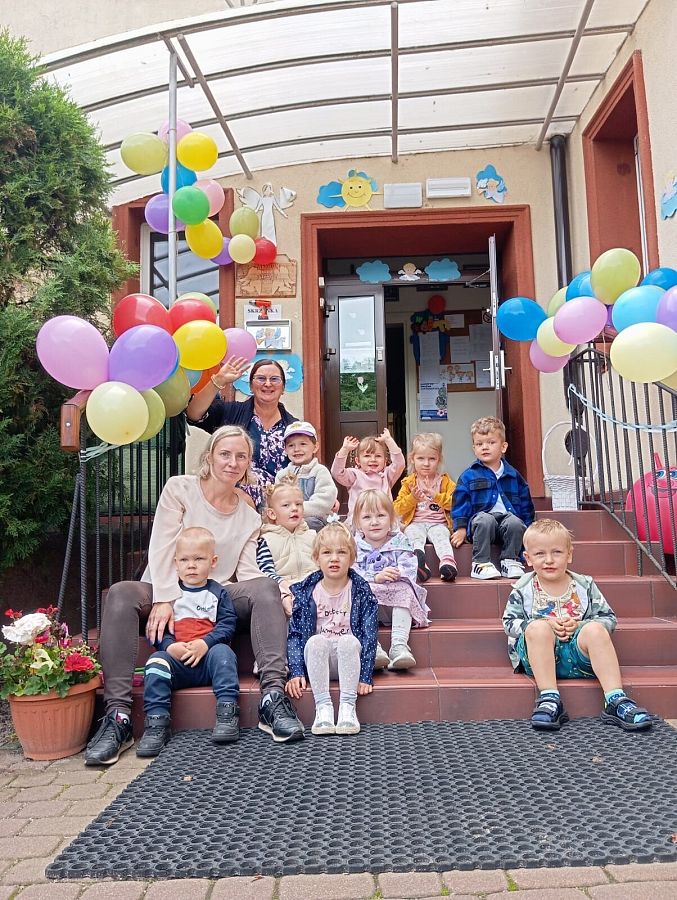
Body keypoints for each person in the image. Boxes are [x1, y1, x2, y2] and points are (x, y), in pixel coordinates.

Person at [84, 425, 304, 766]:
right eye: (225, 454)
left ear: (248, 463)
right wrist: (166, 598)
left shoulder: (248, 515)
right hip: (165, 587)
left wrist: (281, 588)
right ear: (209, 456)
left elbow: (248, 573)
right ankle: (119, 717)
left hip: (214, 597)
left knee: (264, 587)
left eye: (241, 456)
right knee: (121, 594)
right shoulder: (180, 489)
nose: (232, 462)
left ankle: (272, 697)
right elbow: (162, 546)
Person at [502, 518, 656, 732]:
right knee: (538, 628)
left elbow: (608, 618)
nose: (549, 560)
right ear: (528, 558)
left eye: (557, 552)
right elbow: (509, 623)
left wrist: (580, 624)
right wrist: (543, 623)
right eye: (540, 554)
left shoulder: (584, 585)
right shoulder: (523, 588)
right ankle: (549, 699)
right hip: (538, 658)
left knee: (595, 629)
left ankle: (615, 700)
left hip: (579, 657)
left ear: (569, 554)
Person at [136, 527, 239, 757]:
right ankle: (156, 724)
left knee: (224, 654)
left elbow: (227, 624)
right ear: (175, 563)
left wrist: (206, 643)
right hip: (177, 661)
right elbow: (156, 629)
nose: (191, 565)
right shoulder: (169, 596)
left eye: (199, 559)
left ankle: (227, 713)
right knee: (155, 662)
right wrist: (169, 646)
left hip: (207, 660)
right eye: (184, 560)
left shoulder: (217, 593)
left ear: (213, 562)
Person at [285, 523, 378, 736]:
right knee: (316, 641)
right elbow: (295, 634)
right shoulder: (307, 593)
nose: (334, 558)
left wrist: (365, 675)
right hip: (318, 662)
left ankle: (347, 707)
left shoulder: (361, 591)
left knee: (349, 641)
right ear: (316, 558)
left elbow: (369, 635)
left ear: (352, 558)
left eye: (341, 552)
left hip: (350, 661)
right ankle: (323, 708)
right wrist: (297, 670)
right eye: (327, 552)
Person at [186, 357, 297, 508]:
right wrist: (218, 381)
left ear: (283, 388)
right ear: (251, 386)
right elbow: (193, 414)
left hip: (279, 508)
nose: (268, 383)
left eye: (274, 379)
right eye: (261, 378)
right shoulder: (231, 412)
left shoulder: (293, 427)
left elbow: (304, 468)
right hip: (233, 505)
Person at [352, 490, 430, 671]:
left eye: (380, 515)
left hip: (397, 604)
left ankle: (399, 646)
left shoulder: (400, 541)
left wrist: (396, 573)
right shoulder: (355, 546)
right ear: (358, 522)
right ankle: (374, 647)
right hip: (370, 606)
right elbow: (351, 571)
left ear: (391, 518)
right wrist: (374, 577)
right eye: (367, 517)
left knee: (405, 589)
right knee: (357, 590)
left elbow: (409, 566)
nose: (374, 522)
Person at [451, 416, 534, 580]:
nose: (485, 447)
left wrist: (530, 528)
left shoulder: (513, 475)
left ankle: (510, 560)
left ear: (503, 447)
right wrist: (460, 528)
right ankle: (480, 563)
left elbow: (526, 504)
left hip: (507, 524)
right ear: (474, 448)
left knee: (515, 522)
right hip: (481, 525)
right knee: (485, 519)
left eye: (491, 442)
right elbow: (460, 503)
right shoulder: (468, 476)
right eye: (479, 444)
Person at [394, 432, 458, 583]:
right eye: (421, 458)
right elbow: (396, 508)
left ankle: (447, 564)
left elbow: (455, 504)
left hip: (439, 523)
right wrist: (412, 498)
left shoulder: (445, 482)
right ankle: (420, 564)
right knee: (412, 535)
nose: (426, 463)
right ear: (412, 459)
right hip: (415, 523)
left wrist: (437, 496)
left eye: (432, 459)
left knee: (441, 537)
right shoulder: (408, 483)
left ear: (439, 459)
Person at [256, 477, 318, 617]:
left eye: (298, 504)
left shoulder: (312, 536)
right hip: (285, 590)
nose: (294, 508)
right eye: (286, 505)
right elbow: (265, 571)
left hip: (315, 586)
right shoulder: (267, 540)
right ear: (272, 513)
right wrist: (283, 584)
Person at [331, 428, 405, 525]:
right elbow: (337, 472)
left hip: (383, 521)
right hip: (359, 521)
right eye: (367, 456)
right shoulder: (354, 475)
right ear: (358, 461)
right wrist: (344, 450)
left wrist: (389, 441)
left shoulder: (387, 475)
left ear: (385, 461)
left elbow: (400, 464)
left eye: (378, 456)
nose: (373, 459)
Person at [275, 421, 338, 530]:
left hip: (316, 518)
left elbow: (323, 502)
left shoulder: (320, 471)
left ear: (315, 447)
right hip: (288, 519)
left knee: (311, 523)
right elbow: (276, 501)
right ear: (285, 449)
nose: (296, 449)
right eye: (291, 445)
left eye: (303, 444)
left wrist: (296, 511)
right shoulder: (282, 475)